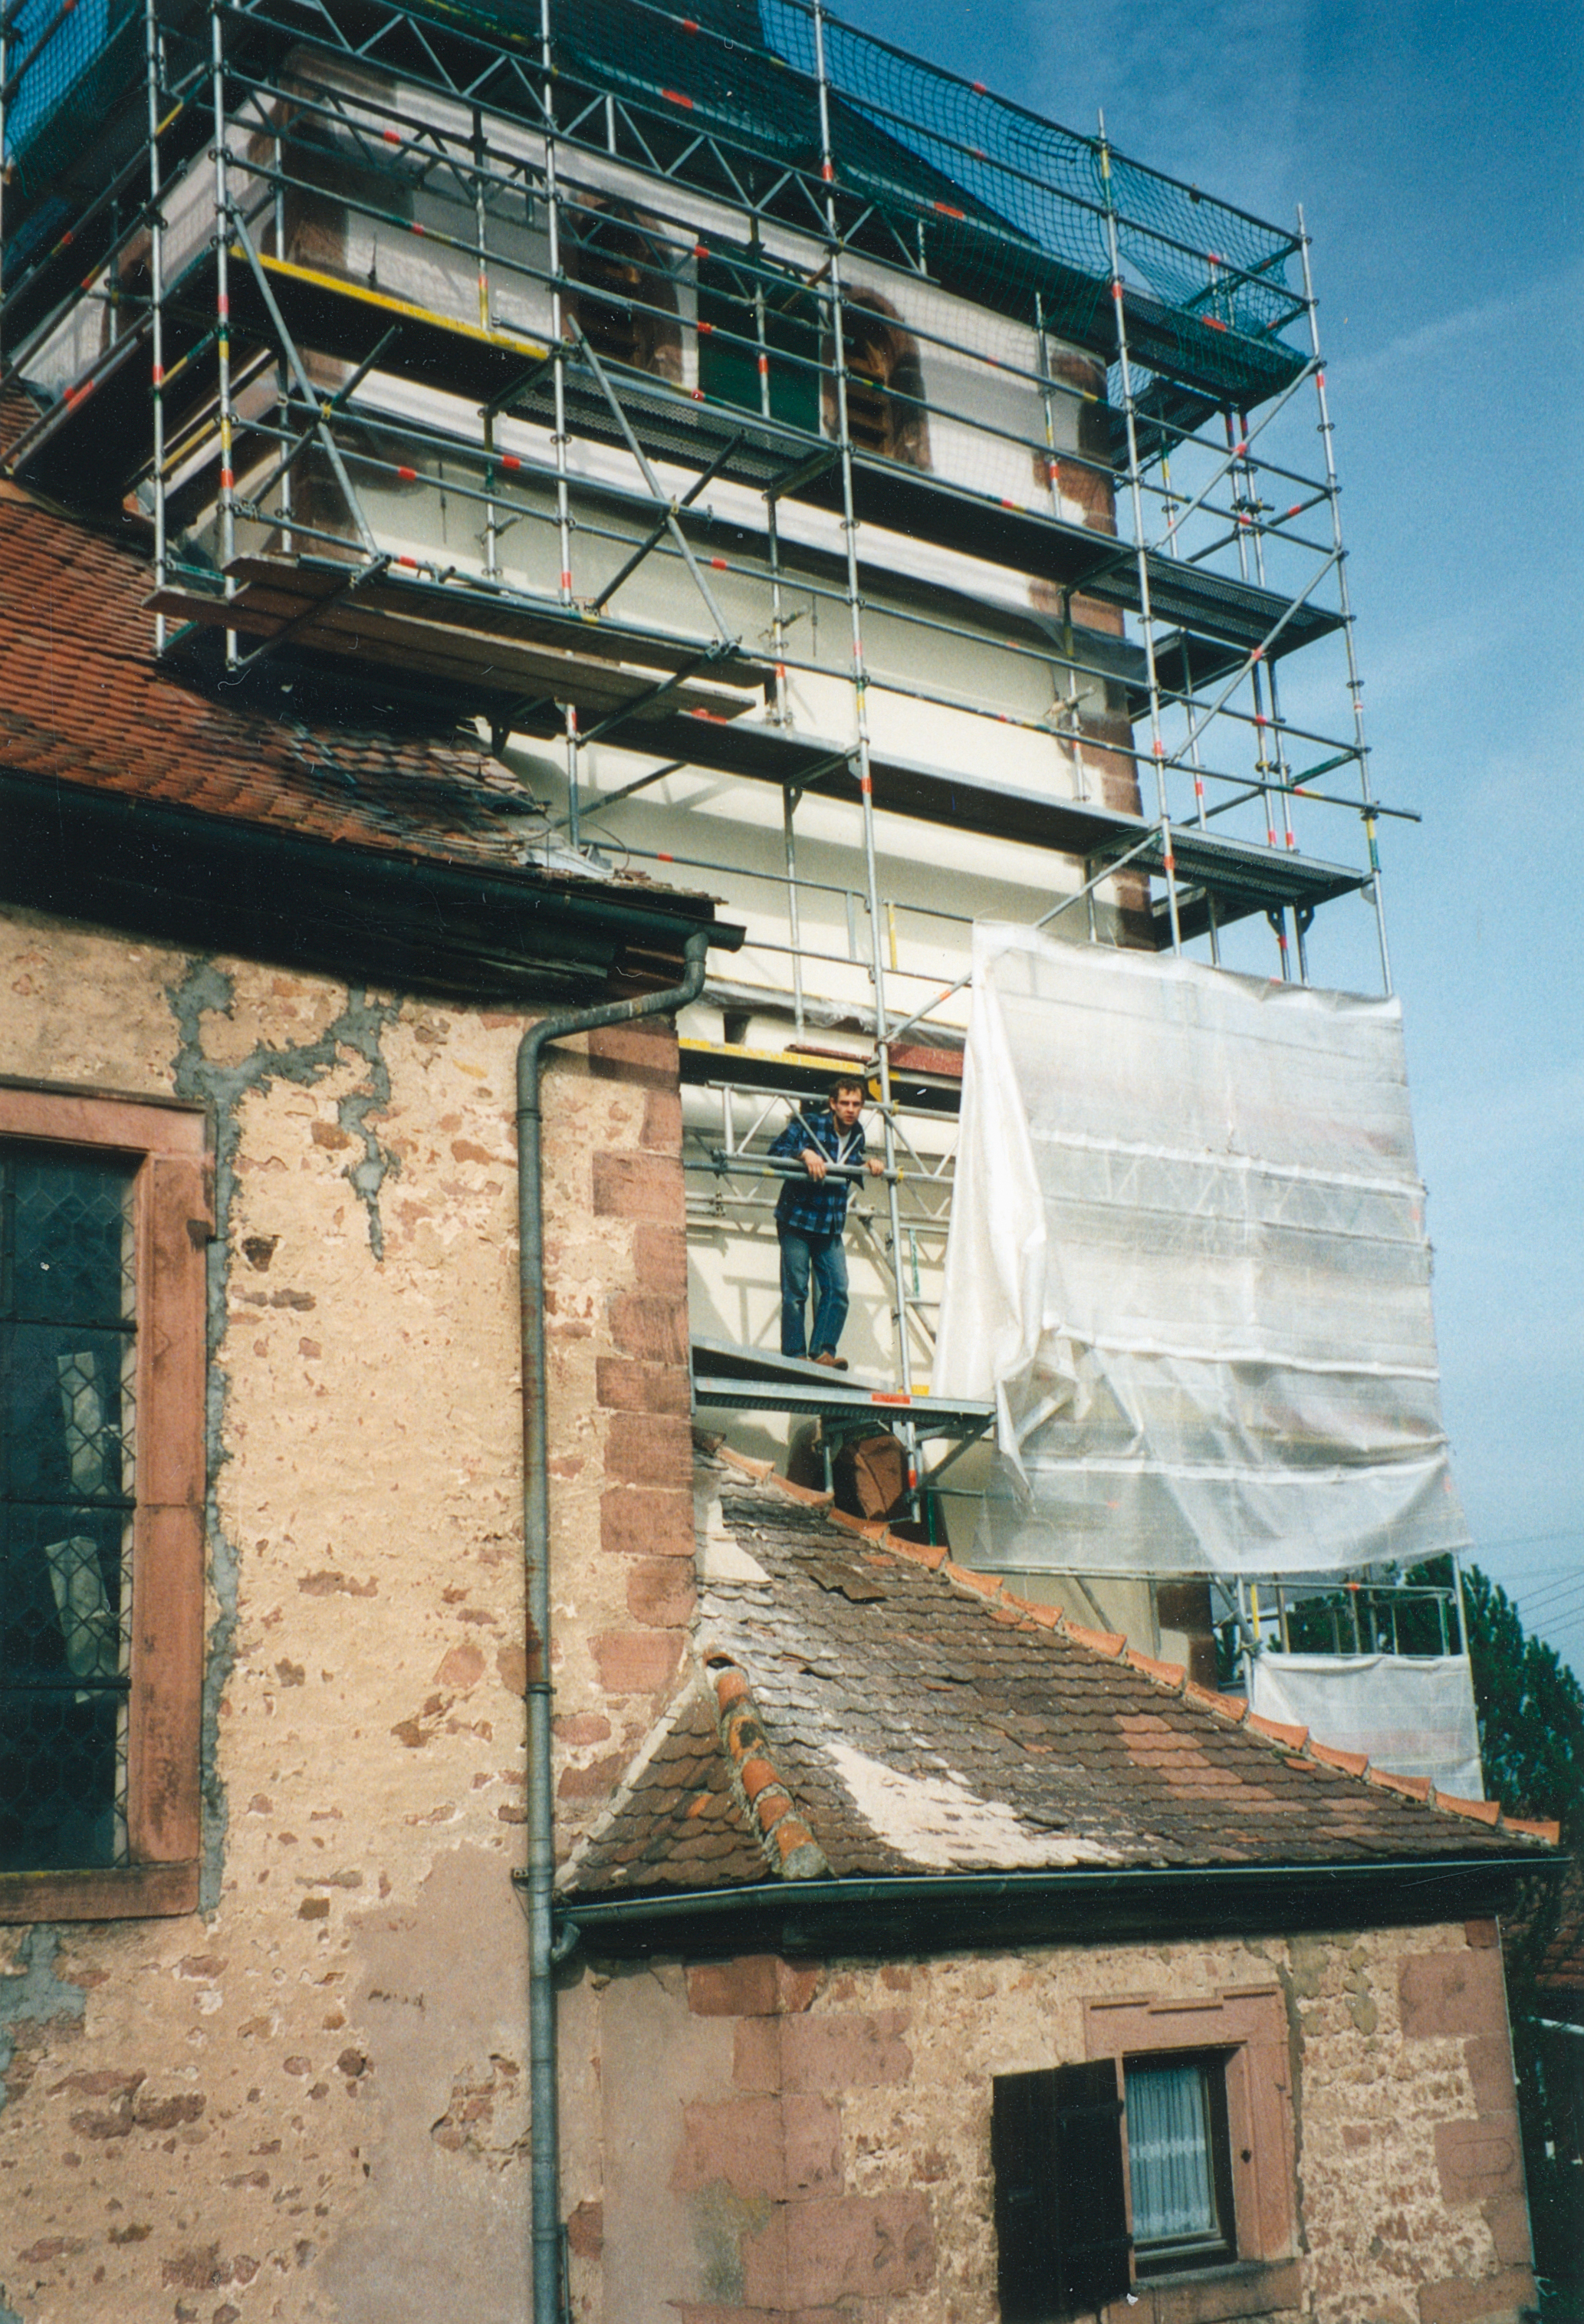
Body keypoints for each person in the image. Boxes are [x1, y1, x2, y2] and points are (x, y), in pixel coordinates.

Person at [769, 1076, 884, 1369]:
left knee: (838, 1289)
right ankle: (794, 1356)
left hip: (829, 1223)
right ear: (832, 1104)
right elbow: (775, 1153)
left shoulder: (857, 1134)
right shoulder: (809, 1124)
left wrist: (868, 1164)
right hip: (797, 1219)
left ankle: (822, 1353)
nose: (850, 1109)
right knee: (796, 1292)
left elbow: (849, 1162)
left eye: (856, 1104)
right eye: (844, 1103)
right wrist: (804, 1153)